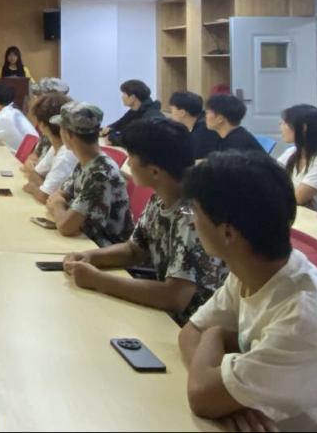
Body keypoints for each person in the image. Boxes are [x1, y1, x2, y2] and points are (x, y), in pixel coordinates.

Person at [178, 151, 317, 432]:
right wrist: (231, 398)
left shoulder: (303, 318)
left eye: (194, 212)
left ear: (228, 233)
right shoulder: (254, 270)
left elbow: (201, 396)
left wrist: (215, 337)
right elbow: (189, 334)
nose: (191, 222)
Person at [62, 119, 228, 325]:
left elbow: (176, 297)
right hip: (162, 313)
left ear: (155, 171)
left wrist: (98, 280)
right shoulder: (160, 197)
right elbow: (135, 250)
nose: (128, 163)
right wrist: (90, 257)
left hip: (187, 325)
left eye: (131, 157)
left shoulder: (193, 216)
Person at [46, 102, 134, 244]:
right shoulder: (86, 163)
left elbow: (65, 226)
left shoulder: (100, 173)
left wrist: (57, 205)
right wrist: (60, 206)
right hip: (86, 240)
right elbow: (58, 195)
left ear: (68, 134)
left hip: (103, 247)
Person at [21, 92, 77, 203]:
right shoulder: (57, 145)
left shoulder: (66, 154)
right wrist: (42, 189)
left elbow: (45, 197)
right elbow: (34, 175)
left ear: (41, 125)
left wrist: (34, 188)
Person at [102, 79, 165, 147]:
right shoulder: (134, 111)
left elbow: (135, 141)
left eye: (124, 94)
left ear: (133, 97)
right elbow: (118, 125)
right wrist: (109, 130)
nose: (122, 97)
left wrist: (111, 137)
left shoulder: (151, 116)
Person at [167, 90, 219, 161]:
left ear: (182, 113)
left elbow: (193, 159)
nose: (170, 115)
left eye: (171, 110)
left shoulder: (204, 132)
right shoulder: (199, 124)